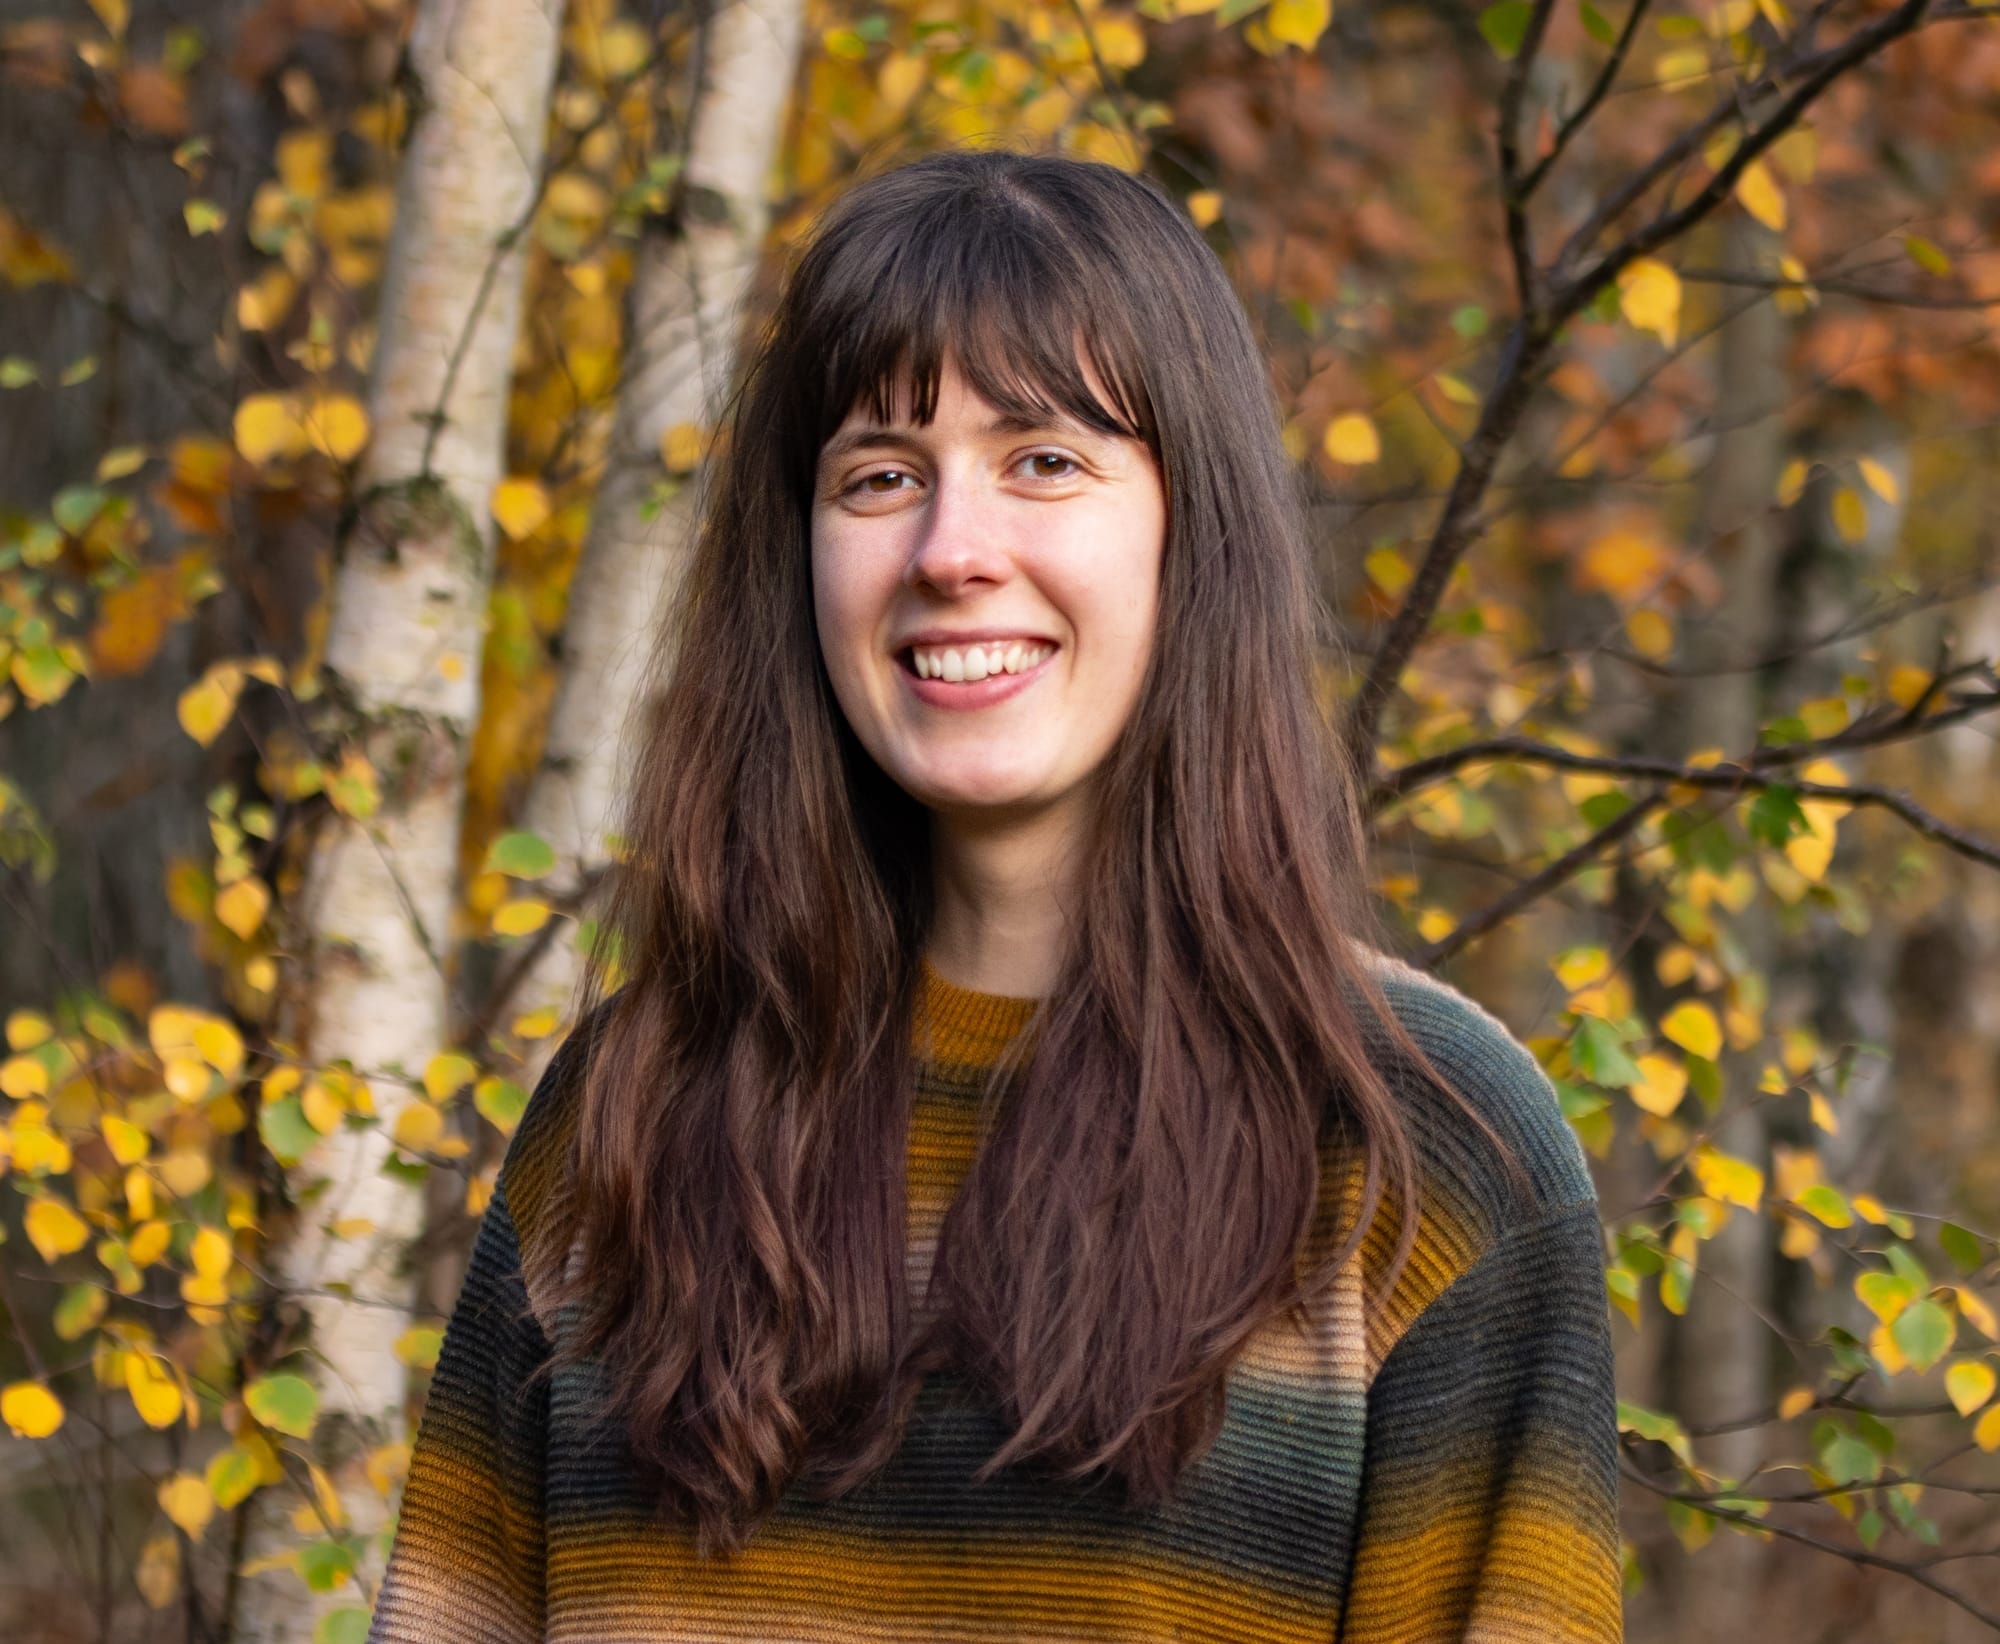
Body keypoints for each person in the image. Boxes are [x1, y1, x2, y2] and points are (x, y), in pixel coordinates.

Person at [367, 148, 1622, 1644]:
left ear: (1190, 529)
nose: (951, 551)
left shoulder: (1425, 1151)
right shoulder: (628, 1115)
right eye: (881, 476)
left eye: (1044, 459)